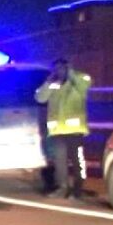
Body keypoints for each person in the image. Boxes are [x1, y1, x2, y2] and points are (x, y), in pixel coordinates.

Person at [35, 57, 92, 199]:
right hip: (58, 132)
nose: (58, 71)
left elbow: (84, 87)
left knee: (78, 161)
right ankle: (62, 188)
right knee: (60, 163)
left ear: (68, 67)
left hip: (75, 131)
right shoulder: (54, 84)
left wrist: (71, 73)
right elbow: (40, 98)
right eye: (56, 69)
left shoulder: (79, 80)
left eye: (61, 68)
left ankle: (78, 189)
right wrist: (48, 81)